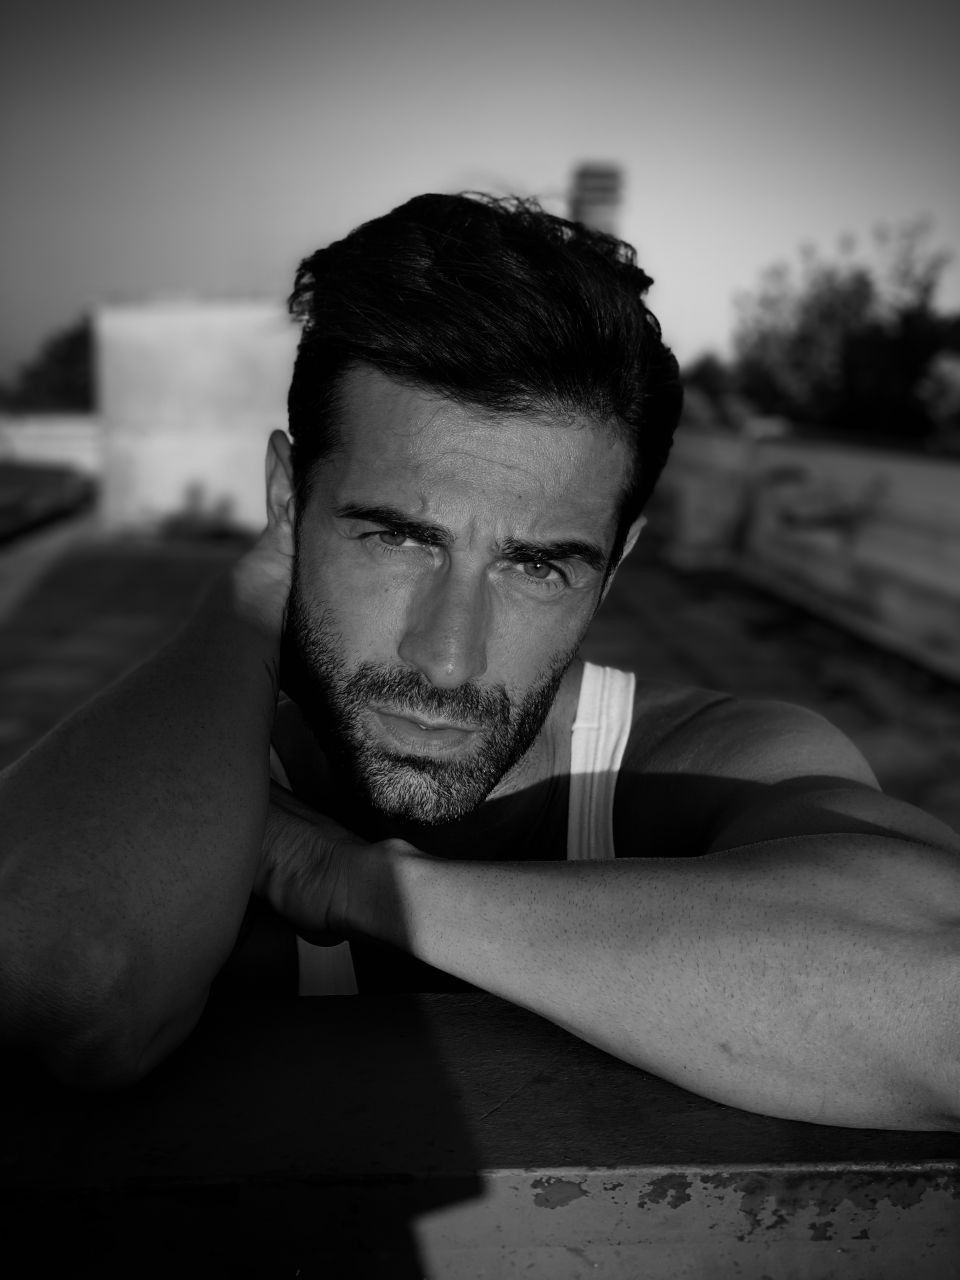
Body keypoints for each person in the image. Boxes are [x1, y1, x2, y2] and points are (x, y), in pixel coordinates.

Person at [1, 194, 958, 1131]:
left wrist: (345, 878)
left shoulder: (712, 768)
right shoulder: (172, 795)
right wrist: (246, 600)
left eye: (536, 566)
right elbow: (75, 992)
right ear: (290, 502)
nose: (449, 660)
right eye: (397, 538)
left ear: (616, 562)